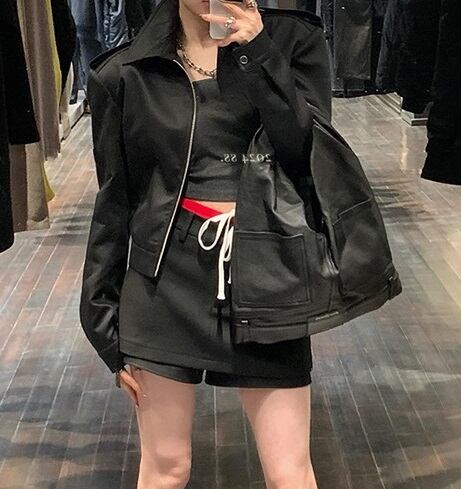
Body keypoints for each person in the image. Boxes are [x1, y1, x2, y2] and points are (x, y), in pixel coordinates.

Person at [79, 0, 332, 487]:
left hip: (266, 280)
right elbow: (115, 203)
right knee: (165, 469)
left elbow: (307, 155)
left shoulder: (293, 45)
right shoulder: (125, 73)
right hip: (164, 286)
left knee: (290, 473)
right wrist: (102, 318)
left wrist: (258, 51)